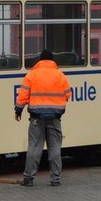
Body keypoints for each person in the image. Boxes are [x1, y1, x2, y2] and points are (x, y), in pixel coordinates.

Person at [15, 49, 71, 187]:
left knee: (34, 147)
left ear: (40, 60)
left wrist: (18, 109)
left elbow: (23, 95)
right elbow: (68, 95)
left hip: (36, 118)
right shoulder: (60, 76)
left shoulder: (32, 75)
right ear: (52, 61)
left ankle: (28, 179)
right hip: (55, 117)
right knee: (55, 148)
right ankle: (55, 179)